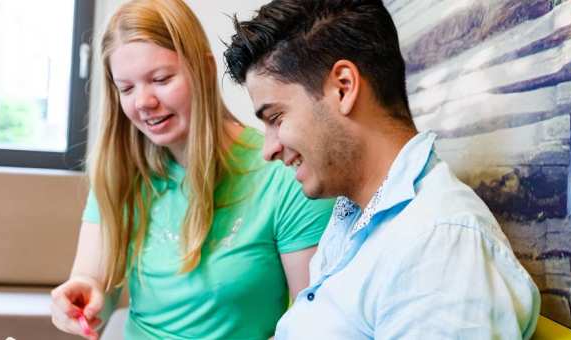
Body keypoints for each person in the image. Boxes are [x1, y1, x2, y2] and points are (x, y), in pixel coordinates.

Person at [224, 0, 541, 339]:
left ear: (343, 87)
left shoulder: (439, 246)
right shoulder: (356, 217)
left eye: (276, 118)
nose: (268, 149)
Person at [50, 0, 334, 339]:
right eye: (126, 88)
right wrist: (83, 292)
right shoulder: (121, 170)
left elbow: (314, 326)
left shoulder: (284, 175)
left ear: (204, 68)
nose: (143, 102)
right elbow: (95, 281)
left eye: (160, 79)